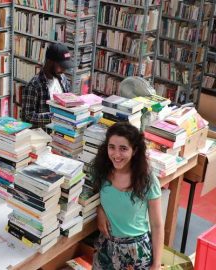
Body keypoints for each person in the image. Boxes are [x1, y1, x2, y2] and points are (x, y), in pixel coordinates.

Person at [91, 122, 163, 270]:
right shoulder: (102, 171)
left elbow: (157, 225)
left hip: (136, 251)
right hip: (106, 246)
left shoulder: (147, 179)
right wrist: (100, 209)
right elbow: (96, 196)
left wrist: (156, 264)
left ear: (134, 150)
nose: (116, 155)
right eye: (112, 147)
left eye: (123, 149)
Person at [21, 43, 74, 128]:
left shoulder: (63, 78)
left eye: (65, 67)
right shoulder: (34, 86)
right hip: (43, 134)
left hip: (62, 130)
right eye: (61, 66)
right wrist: (55, 116)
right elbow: (27, 116)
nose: (64, 70)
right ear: (49, 62)